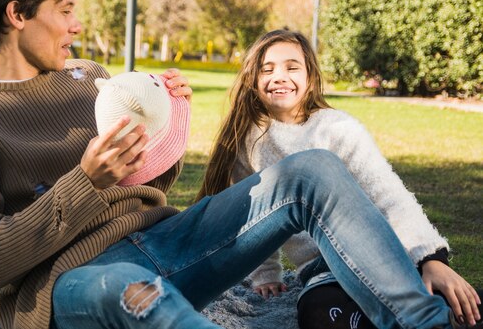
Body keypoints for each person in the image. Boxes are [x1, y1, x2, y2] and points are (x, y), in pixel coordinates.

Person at [0, 0, 471, 329]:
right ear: (18, 14)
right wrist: (84, 181)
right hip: (74, 281)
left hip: (167, 240)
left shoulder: (90, 78)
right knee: (136, 296)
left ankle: (425, 322)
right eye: (64, 10)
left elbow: (149, 182)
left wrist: (168, 120)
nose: (77, 24)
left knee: (312, 171)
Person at [197, 29, 482, 329]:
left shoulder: (338, 128)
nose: (279, 76)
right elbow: (252, 216)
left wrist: (430, 259)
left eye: (292, 67)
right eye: (267, 70)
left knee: (462, 304)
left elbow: (389, 194)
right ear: (253, 82)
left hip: (382, 260)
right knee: (318, 314)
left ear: (310, 78)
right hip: (322, 272)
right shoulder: (249, 142)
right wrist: (266, 275)